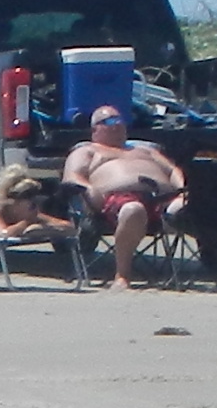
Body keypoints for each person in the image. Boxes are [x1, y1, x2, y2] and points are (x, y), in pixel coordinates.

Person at [63, 105, 185, 291]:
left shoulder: (145, 150)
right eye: (110, 121)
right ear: (95, 129)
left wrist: (182, 190)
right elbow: (72, 176)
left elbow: (172, 170)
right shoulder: (88, 151)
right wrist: (89, 190)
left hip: (162, 199)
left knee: (192, 206)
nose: (118, 124)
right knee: (133, 210)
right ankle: (122, 275)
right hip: (119, 200)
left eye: (120, 120)